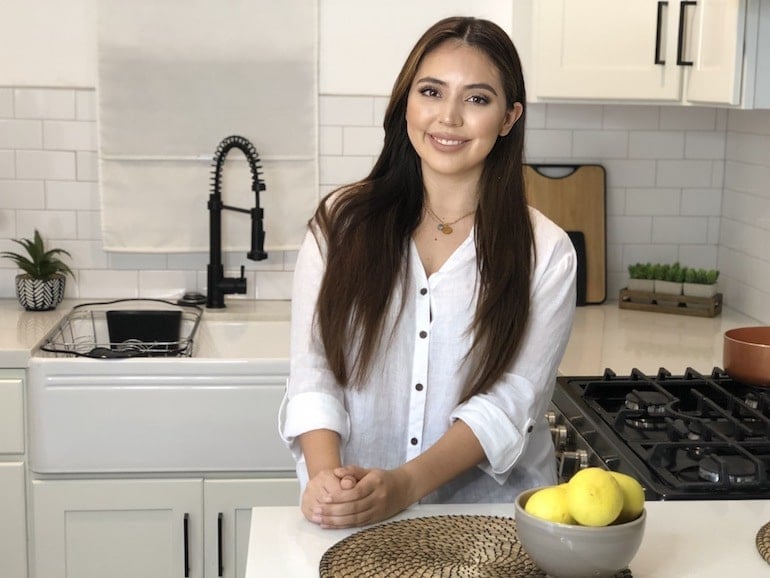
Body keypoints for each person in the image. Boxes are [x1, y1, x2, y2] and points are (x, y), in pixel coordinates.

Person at [279, 16, 577, 529]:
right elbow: (314, 371)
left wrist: (405, 484)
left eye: (478, 99)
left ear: (509, 118)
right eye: (432, 92)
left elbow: (507, 402)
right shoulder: (340, 226)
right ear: (406, 104)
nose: (449, 118)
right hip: (352, 521)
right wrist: (327, 481)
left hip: (489, 527)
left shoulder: (546, 252)